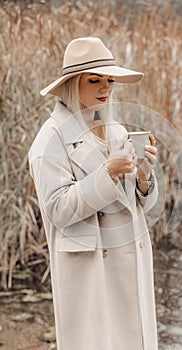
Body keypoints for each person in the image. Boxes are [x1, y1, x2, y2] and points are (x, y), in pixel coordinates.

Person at [29, 37, 159, 350]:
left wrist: (144, 177)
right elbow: (58, 209)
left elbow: (139, 204)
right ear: (73, 83)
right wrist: (108, 172)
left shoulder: (115, 129)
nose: (106, 88)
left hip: (129, 261)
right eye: (94, 80)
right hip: (91, 272)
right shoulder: (49, 140)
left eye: (110, 80)